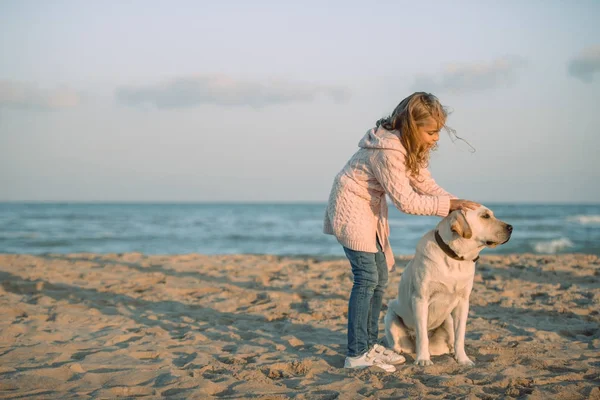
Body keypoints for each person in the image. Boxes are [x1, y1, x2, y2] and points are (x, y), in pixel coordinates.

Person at [323, 92, 480, 372]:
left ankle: (369, 346)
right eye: (431, 132)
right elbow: (407, 202)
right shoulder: (388, 151)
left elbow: (426, 186)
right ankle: (356, 353)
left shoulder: (408, 149)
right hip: (351, 208)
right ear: (410, 126)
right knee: (366, 278)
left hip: (369, 209)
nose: (436, 138)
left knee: (380, 276)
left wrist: (458, 207)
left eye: (438, 132)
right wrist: (448, 206)